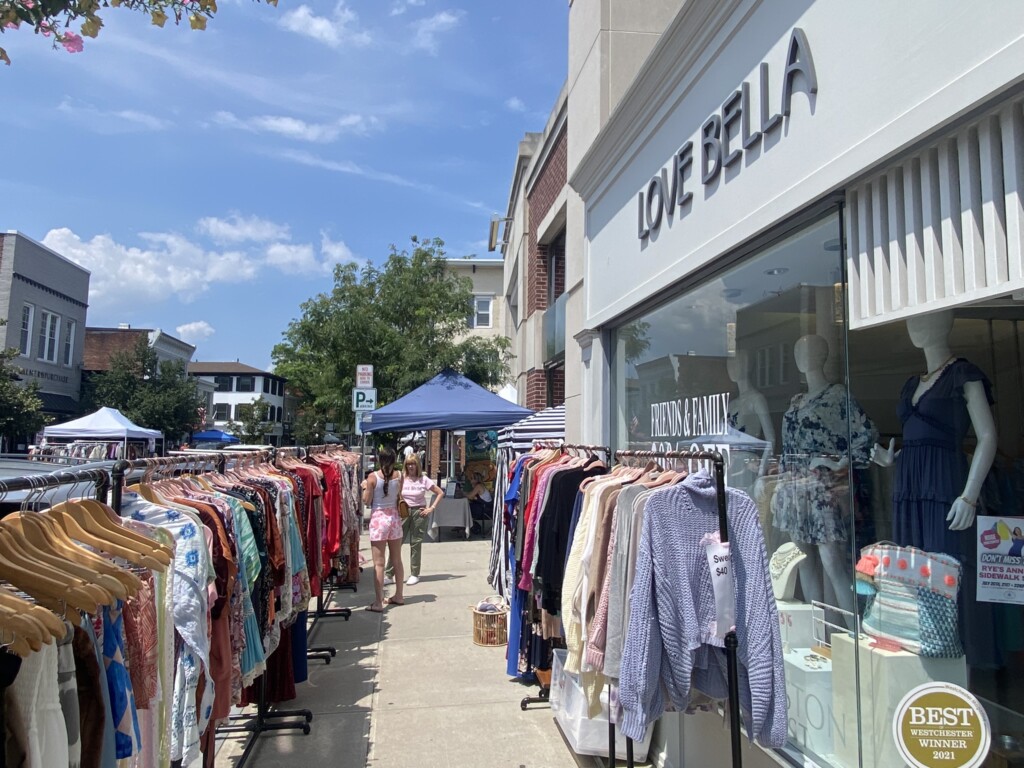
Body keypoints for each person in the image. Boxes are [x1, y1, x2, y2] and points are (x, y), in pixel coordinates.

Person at [386, 456, 442, 587]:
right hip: (403, 511)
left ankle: (414, 573)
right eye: (409, 464)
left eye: (413, 464)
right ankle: (389, 574)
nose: (411, 467)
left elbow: (440, 492)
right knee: (396, 543)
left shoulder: (424, 479)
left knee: (415, 544)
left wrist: (431, 508)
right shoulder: (401, 479)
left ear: (417, 465)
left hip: (419, 512)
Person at [362, 447, 405, 612]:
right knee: (397, 560)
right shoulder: (399, 476)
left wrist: (365, 487)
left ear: (379, 459)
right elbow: (399, 496)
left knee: (379, 564)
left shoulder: (373, 477)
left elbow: (367, 501)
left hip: (379, 520)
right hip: (394, 518)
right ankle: (399, 595)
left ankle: (379, 602)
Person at [464, 471, 493, 536]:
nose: (470, 479)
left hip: (485, 509)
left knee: (464, 509)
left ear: (476, 480)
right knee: (467, 507)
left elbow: (470, 496)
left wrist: (464, 494)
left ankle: (463, 526)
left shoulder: (478, 486)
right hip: (485, 507)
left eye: (472, 478)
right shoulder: (480, 486)